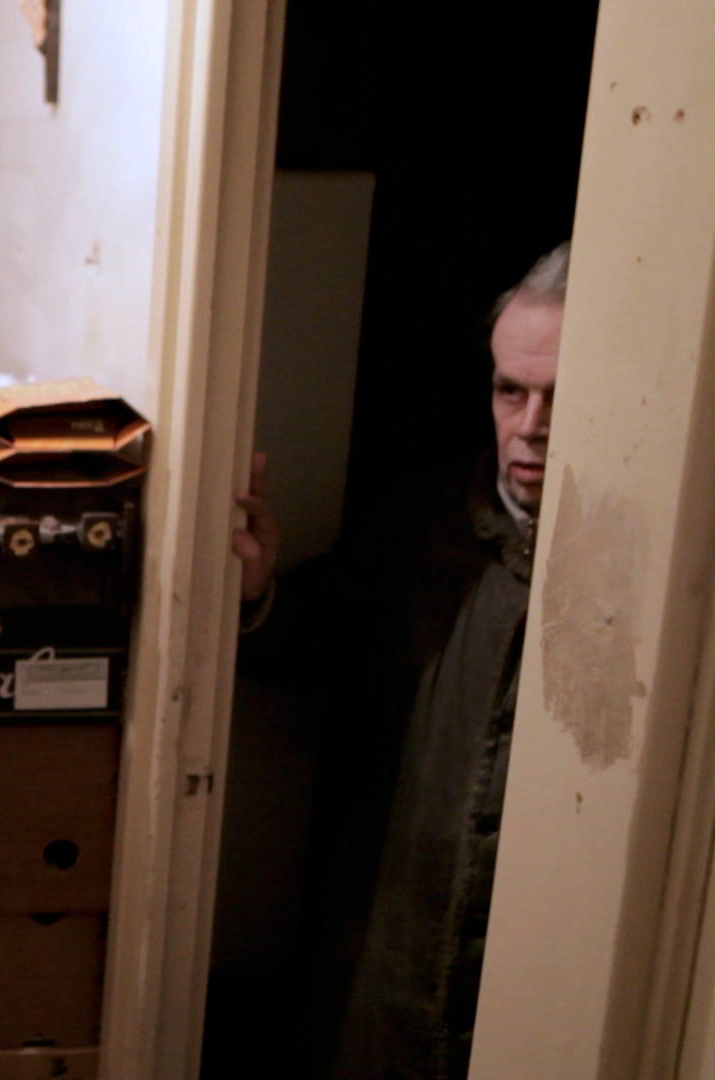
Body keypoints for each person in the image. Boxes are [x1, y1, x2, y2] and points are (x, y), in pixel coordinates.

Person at [232, 242, 566, 1080]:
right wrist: (253, 590)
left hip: (545, 981)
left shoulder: (660, 574)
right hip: (394, 951)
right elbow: (322, 639)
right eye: (510, 391)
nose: (530, 427)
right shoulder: (429, 517)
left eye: (562, 397)